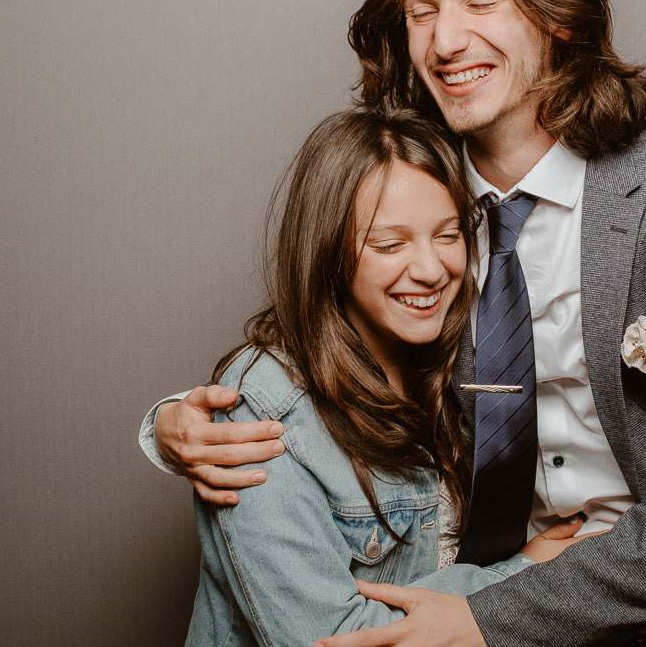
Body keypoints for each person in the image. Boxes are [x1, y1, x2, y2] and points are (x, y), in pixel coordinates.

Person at [143, 0, 646, 647]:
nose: (446, 41)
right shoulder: (412, 186)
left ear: (558, 14)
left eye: (480, 2)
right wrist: (174, 427)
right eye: (422, 12)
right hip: (467, 594)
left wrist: (490, 614)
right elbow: (322, 349)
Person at [182, 106, 591, 647]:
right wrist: (530, 573)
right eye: (390, 244)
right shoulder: (262, 409)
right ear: (327, 251)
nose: (428, 269)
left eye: (447, 235)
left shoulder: (463, 359)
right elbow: (329, 639)